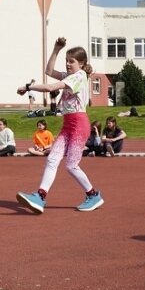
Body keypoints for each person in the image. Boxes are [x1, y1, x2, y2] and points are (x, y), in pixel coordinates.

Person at [15, 36, 104, 214]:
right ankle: (40, 197)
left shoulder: (79, 76)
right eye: (66, 61)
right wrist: (56, 49)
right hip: (68, 124)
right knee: (52, 159)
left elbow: (51, 88)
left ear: (81, 63)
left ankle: (93, 195)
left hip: (79, 124)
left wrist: (29, 87)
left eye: (71, 61)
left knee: (71, 165)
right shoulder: (70, 75)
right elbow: (49, 70)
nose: (68, 64)